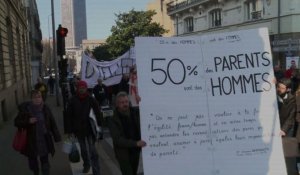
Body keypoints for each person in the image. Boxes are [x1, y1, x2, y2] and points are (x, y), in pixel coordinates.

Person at [14, 90, 61, 175]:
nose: (37, 99)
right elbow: (16, 122)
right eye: (35, 97)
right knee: (33, 163)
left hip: (44, 140)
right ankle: (35, 172)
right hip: (31, 142)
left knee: (45, 162)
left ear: (42, 98)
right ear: (31, 99)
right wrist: (28, 121)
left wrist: (57, 137)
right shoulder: (25, 109)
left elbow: (52, 122)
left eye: (39, 97)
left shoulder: (45, 108)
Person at [65, 80, 103, 175]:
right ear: (77, 89)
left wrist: (100, 127)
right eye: (80, 88)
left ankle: (96, 170)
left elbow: (98, 113)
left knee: (93, 151)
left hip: (90, 129)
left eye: (83, 88)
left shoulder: (91, 99)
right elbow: (68, 116)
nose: (82, 89)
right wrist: (69, 131)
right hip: (78, 130)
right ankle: (86, 164)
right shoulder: (72, 100)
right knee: (83, 149)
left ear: (86, 88)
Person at [107, 91, 146, 175]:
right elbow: (118, 140)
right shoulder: (112, 119)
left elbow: (147, 112)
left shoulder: (135, 112)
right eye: (122, 102)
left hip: (135, 151)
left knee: (134, 172)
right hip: (123, 154)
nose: (125, 104)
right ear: (117, 104)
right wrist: (136, 143)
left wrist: (142, 102)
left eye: (126, 101)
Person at [276, 78, 298, 175]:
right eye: (278, 87)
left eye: (282, 88)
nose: (279, 89)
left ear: (288, 89)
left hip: (287, 128)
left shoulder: (291, 99)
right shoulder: (272, 96)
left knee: (287, 152)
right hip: (276, 126)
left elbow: (291, 117)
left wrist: (283, 130)